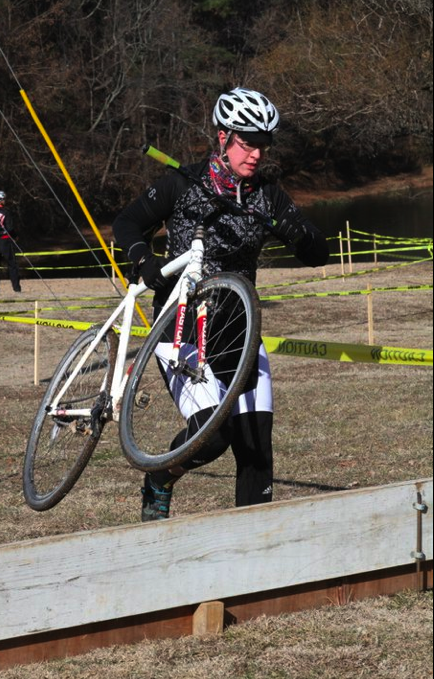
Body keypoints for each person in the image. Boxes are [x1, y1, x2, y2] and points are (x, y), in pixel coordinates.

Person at [113, 87, 329, 522]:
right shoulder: (182, 182)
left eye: (262, 145)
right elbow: (127, 223)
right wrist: (144, 261)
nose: (255, 154)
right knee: (211, 438)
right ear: (223, 137)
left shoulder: (267, 194)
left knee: (255, 449)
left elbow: (318, 252)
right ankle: (160, 478)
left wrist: (291, 230)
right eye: (247, 143)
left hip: (240, 332)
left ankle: (251, 559)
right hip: (183, 332)